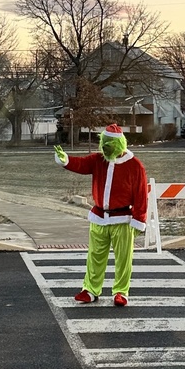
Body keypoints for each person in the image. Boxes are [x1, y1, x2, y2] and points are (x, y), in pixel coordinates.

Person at [54, 123, 148, 307]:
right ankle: (90, 289)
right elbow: (81, 164)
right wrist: (65, 160)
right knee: (95, 255)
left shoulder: (135, 166)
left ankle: (121, 291)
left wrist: (139, 220)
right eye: (103, 144)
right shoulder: (99, 160)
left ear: (120, 144)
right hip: (99, 217)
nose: (105, 148)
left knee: (123, 258)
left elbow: (141, 194)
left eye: (108, 144)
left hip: (123, 220)